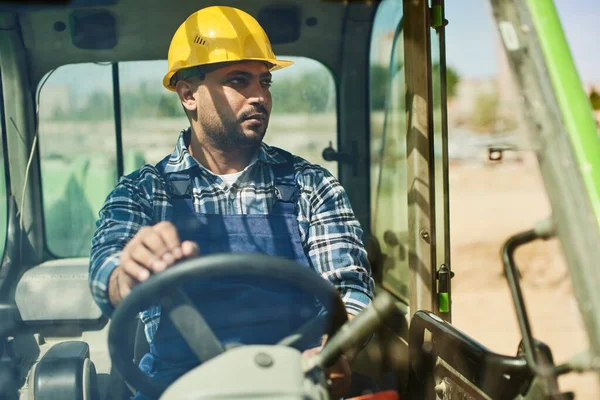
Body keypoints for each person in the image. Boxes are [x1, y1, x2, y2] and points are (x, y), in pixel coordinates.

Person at [88, 5, 374, 399]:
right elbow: (107, 276)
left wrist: (334, 349)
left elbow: (350, 293)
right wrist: (129, 275)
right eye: (239, 80)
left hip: (291, 385)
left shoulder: (311, 185)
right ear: (188, 94)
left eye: (265, 81)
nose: (259, 96)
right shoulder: (142, 193)